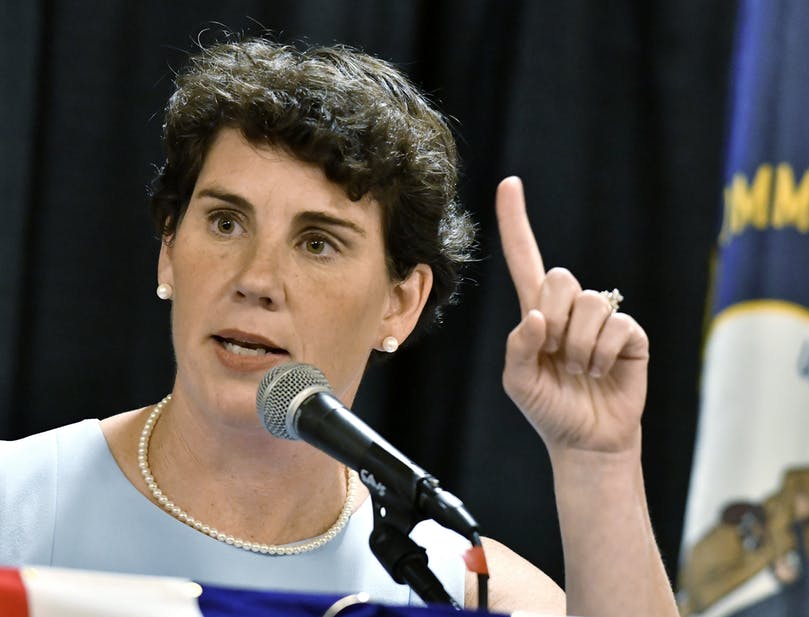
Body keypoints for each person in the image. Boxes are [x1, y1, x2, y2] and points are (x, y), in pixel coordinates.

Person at [0, 39, 677, 616]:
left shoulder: (450, 580)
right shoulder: (16, 504)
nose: (256, 278)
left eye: (318, 242)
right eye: (226, 222)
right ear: (169, 250)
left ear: (401, 303)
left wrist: (599, 463)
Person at [678, 454, 809, 616]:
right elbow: (782, 515)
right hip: (739, 538)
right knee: (687, 585)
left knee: (696, 601)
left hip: (754, 555)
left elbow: (805, 544)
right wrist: (781, 558)